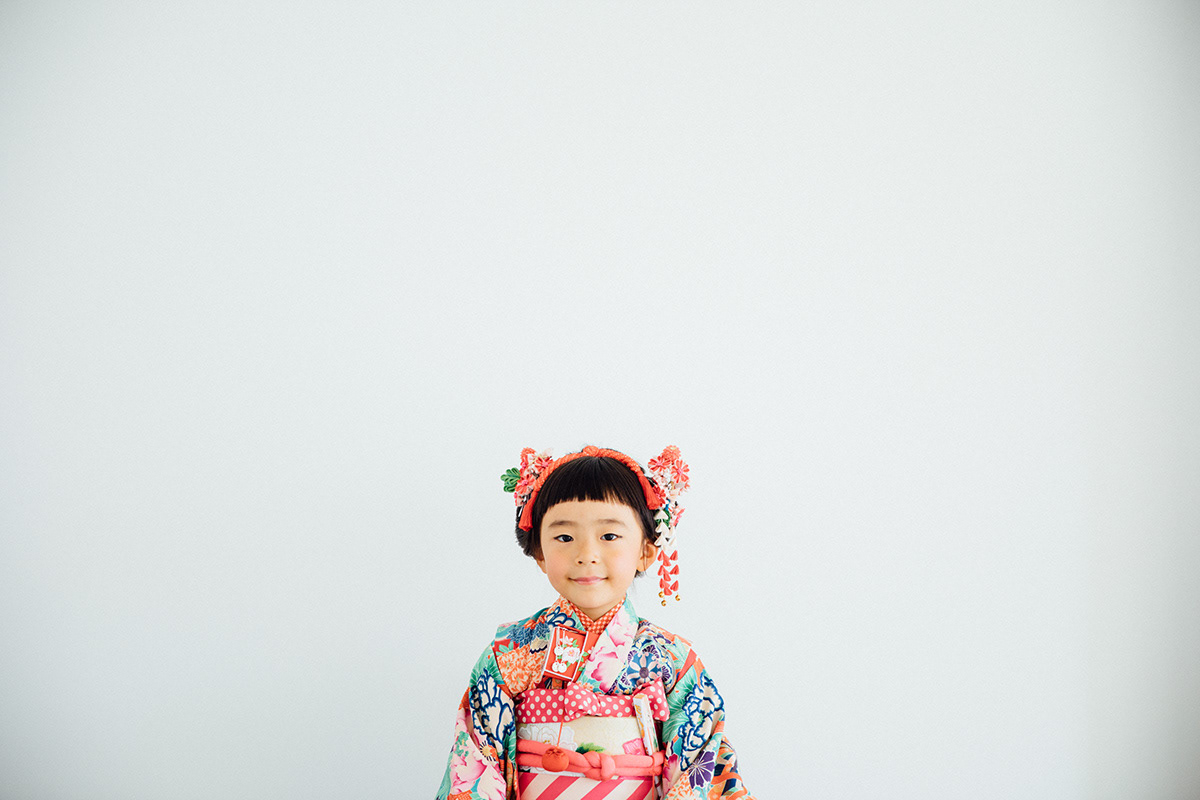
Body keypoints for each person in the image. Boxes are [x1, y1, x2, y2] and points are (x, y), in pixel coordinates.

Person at [436, 445, 754, 800]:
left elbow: (700, 764)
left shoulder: (673, 660)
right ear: (539, 552)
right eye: (564, 537)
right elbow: (477, 763)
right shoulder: (508, 655)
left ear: (646, 551)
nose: (586, 555)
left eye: (609, 536)